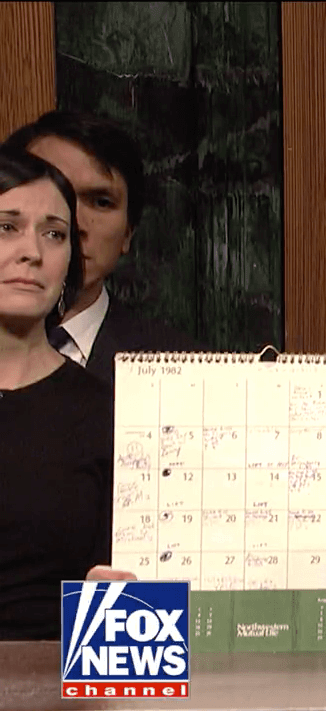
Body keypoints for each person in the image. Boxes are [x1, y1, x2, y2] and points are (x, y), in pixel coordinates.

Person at [0, 148, 116, 639]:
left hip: (61, 676)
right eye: (7, 227)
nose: (32, 251)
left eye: (54, 234)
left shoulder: (106, 416)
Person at [3, 111, 202, 386]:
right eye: (54, 195)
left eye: (101, 202)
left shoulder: (184, 370)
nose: (74, 223)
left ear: (128, 232)